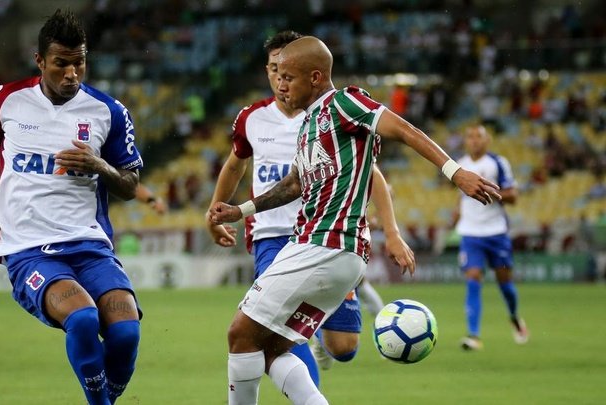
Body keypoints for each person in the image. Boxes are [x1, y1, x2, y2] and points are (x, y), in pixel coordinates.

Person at [209, 36, 501, 405]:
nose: (280, 85)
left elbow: (404, 130)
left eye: (289, 77)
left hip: (325, 245)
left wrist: (455, 172)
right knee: (269, 349)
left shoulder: (343, 102)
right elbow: (295, 184)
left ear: (315, 77)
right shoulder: (309, 123)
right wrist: (240, 211)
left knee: (240, 334)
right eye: (277, 76)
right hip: (329, 252)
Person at [205, 31, 413, 380]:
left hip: (326, 237)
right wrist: (217, 210)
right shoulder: (252, 118)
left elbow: (372, 174)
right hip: (272, 237)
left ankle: (313, 334)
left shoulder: (326, 114)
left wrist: (392, 232)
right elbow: (235, 165)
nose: (279, 78)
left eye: (287, 71)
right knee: (273, 334)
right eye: (274, 69)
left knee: (343, 347)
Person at [0, 9, 142, 404]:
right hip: (29, 248)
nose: (71, 74)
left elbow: (131, 185)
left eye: (79, 62)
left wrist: (99, 165)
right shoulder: (4, 100)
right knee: (82, 319)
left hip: (89, 245)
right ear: (40, 61)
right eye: (61, 63)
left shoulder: (108, 112)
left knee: (127, 333)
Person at [453, 125, 529, 351]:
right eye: (470, 136)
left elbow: (513, 195)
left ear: (488, 141)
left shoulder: (498, 163)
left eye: (479, 137)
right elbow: (461, 195)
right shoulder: (459, 165)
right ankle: (473, 336)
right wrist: (457, 212)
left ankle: (514, 316)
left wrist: (489, 192)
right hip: (470, 233)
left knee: (505, 282)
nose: (474, 141)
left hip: (496, 232)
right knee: (473, 277)